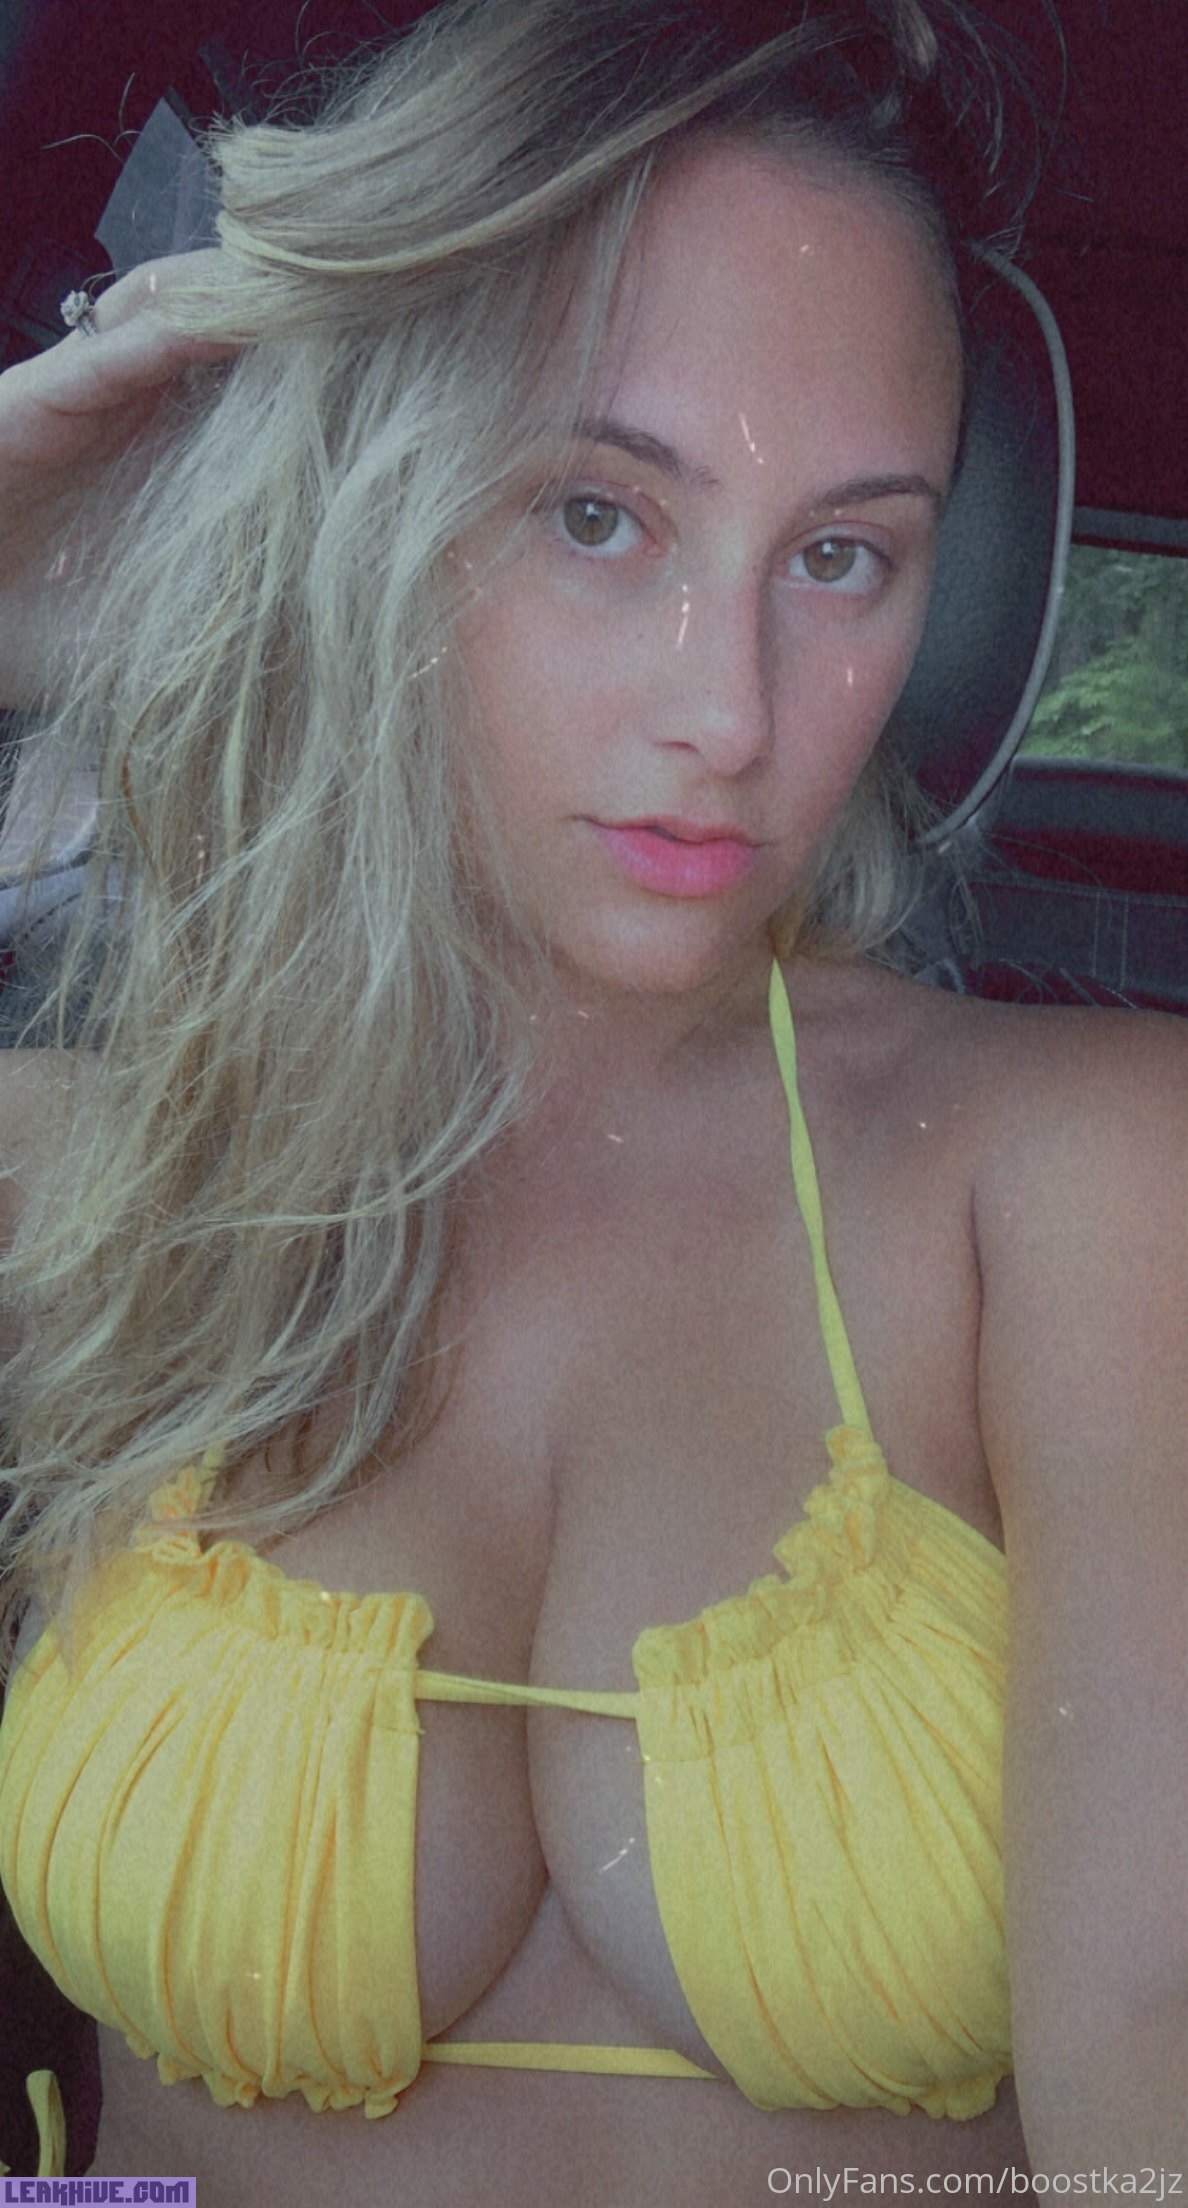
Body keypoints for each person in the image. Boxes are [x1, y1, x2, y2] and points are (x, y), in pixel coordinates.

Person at [0, 1, 1182, 2200]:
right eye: (596, 513)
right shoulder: (93, 1178)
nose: (730, 711)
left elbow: (1151, 2056)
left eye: (839, 556)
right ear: (363, 505)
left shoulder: (1088, 1181)